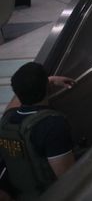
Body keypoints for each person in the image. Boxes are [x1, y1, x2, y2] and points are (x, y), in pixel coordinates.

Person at [0, 62, 75, 199]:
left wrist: (49, 80)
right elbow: (68, 178)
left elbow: (15, 101)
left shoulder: (7, 120)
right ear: (47, 88)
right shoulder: (52, 124)